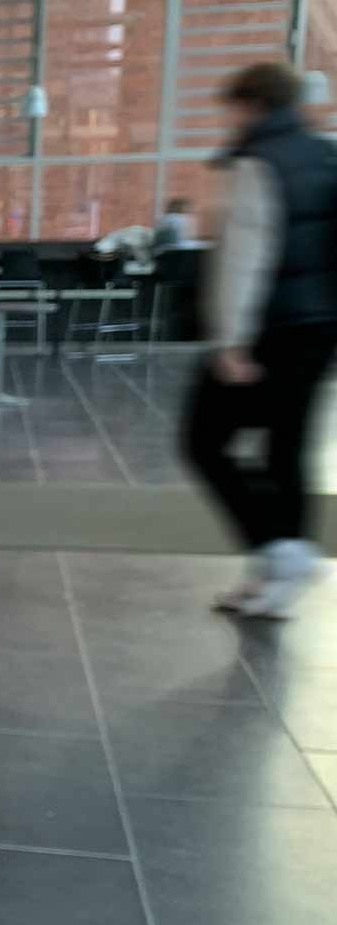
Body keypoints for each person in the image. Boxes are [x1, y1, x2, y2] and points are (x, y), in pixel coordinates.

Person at [183, 62, 336, 617]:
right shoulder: (324, 155)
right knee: (287, 446)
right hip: (317, 329)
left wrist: (230, 341)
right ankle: (279, 570)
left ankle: (281, 551)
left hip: (268, 327)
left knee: (203, 440)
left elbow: (245, 258)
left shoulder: (257, 164)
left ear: (251, 104)